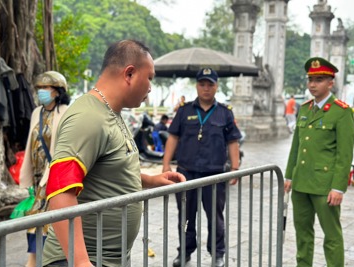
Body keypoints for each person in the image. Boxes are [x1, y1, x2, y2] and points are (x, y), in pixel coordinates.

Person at [42, 40, 185, 267]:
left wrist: (150, 180)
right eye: (149, 78)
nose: (150, 87)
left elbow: (109, 171)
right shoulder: (88, 117)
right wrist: (80, 262)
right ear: (129, 74)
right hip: (80, 260)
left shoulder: (113, 114)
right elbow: (60, 191)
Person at [162, 68, 241, 267]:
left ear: (216, 86)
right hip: (186, 174)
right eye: (202, 84)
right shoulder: (184, 110)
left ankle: (217, 254)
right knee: (186, 217)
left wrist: (235, 167)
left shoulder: (225, 112)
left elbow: (233, 141)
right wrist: (165, 164)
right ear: (197, 86)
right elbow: (173, 137)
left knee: (215, 217)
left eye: (210, 84)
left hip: (214, 175)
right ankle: (185, 252)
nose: (206, 88)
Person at [284, 57, 354, 267]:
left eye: (320, 79)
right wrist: (289, 176)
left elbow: (345, 154)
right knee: (302, 234)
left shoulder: (341, 111)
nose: (313, 85)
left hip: (325, 186)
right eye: (310, 79)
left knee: (331, 236)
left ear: (330, 82)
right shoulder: (305, 109)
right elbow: (296, 147)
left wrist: (338, 188)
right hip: (301, 183)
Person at [19, 71, 70, 267]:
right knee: (33, 220)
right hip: (37, 179)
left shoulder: (65, 112)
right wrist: (27, 176)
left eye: (45, 88)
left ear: (57, 91)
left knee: (49, 222)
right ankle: (33, 261)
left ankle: (45, 260)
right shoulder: (36, 113)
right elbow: (30, 144)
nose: (41, 92)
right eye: (39, 88)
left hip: (54, 178)